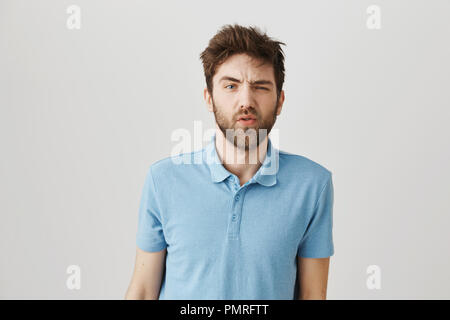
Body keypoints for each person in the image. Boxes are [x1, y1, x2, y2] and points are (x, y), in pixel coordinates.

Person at [125, 23, 334, 300]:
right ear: (209, 98)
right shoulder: (163, 180)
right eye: (231, 86)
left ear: (280, 101)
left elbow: (313, 295)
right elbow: (142, 292)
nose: (246, 100)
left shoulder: (313, 185)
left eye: (260, 87)